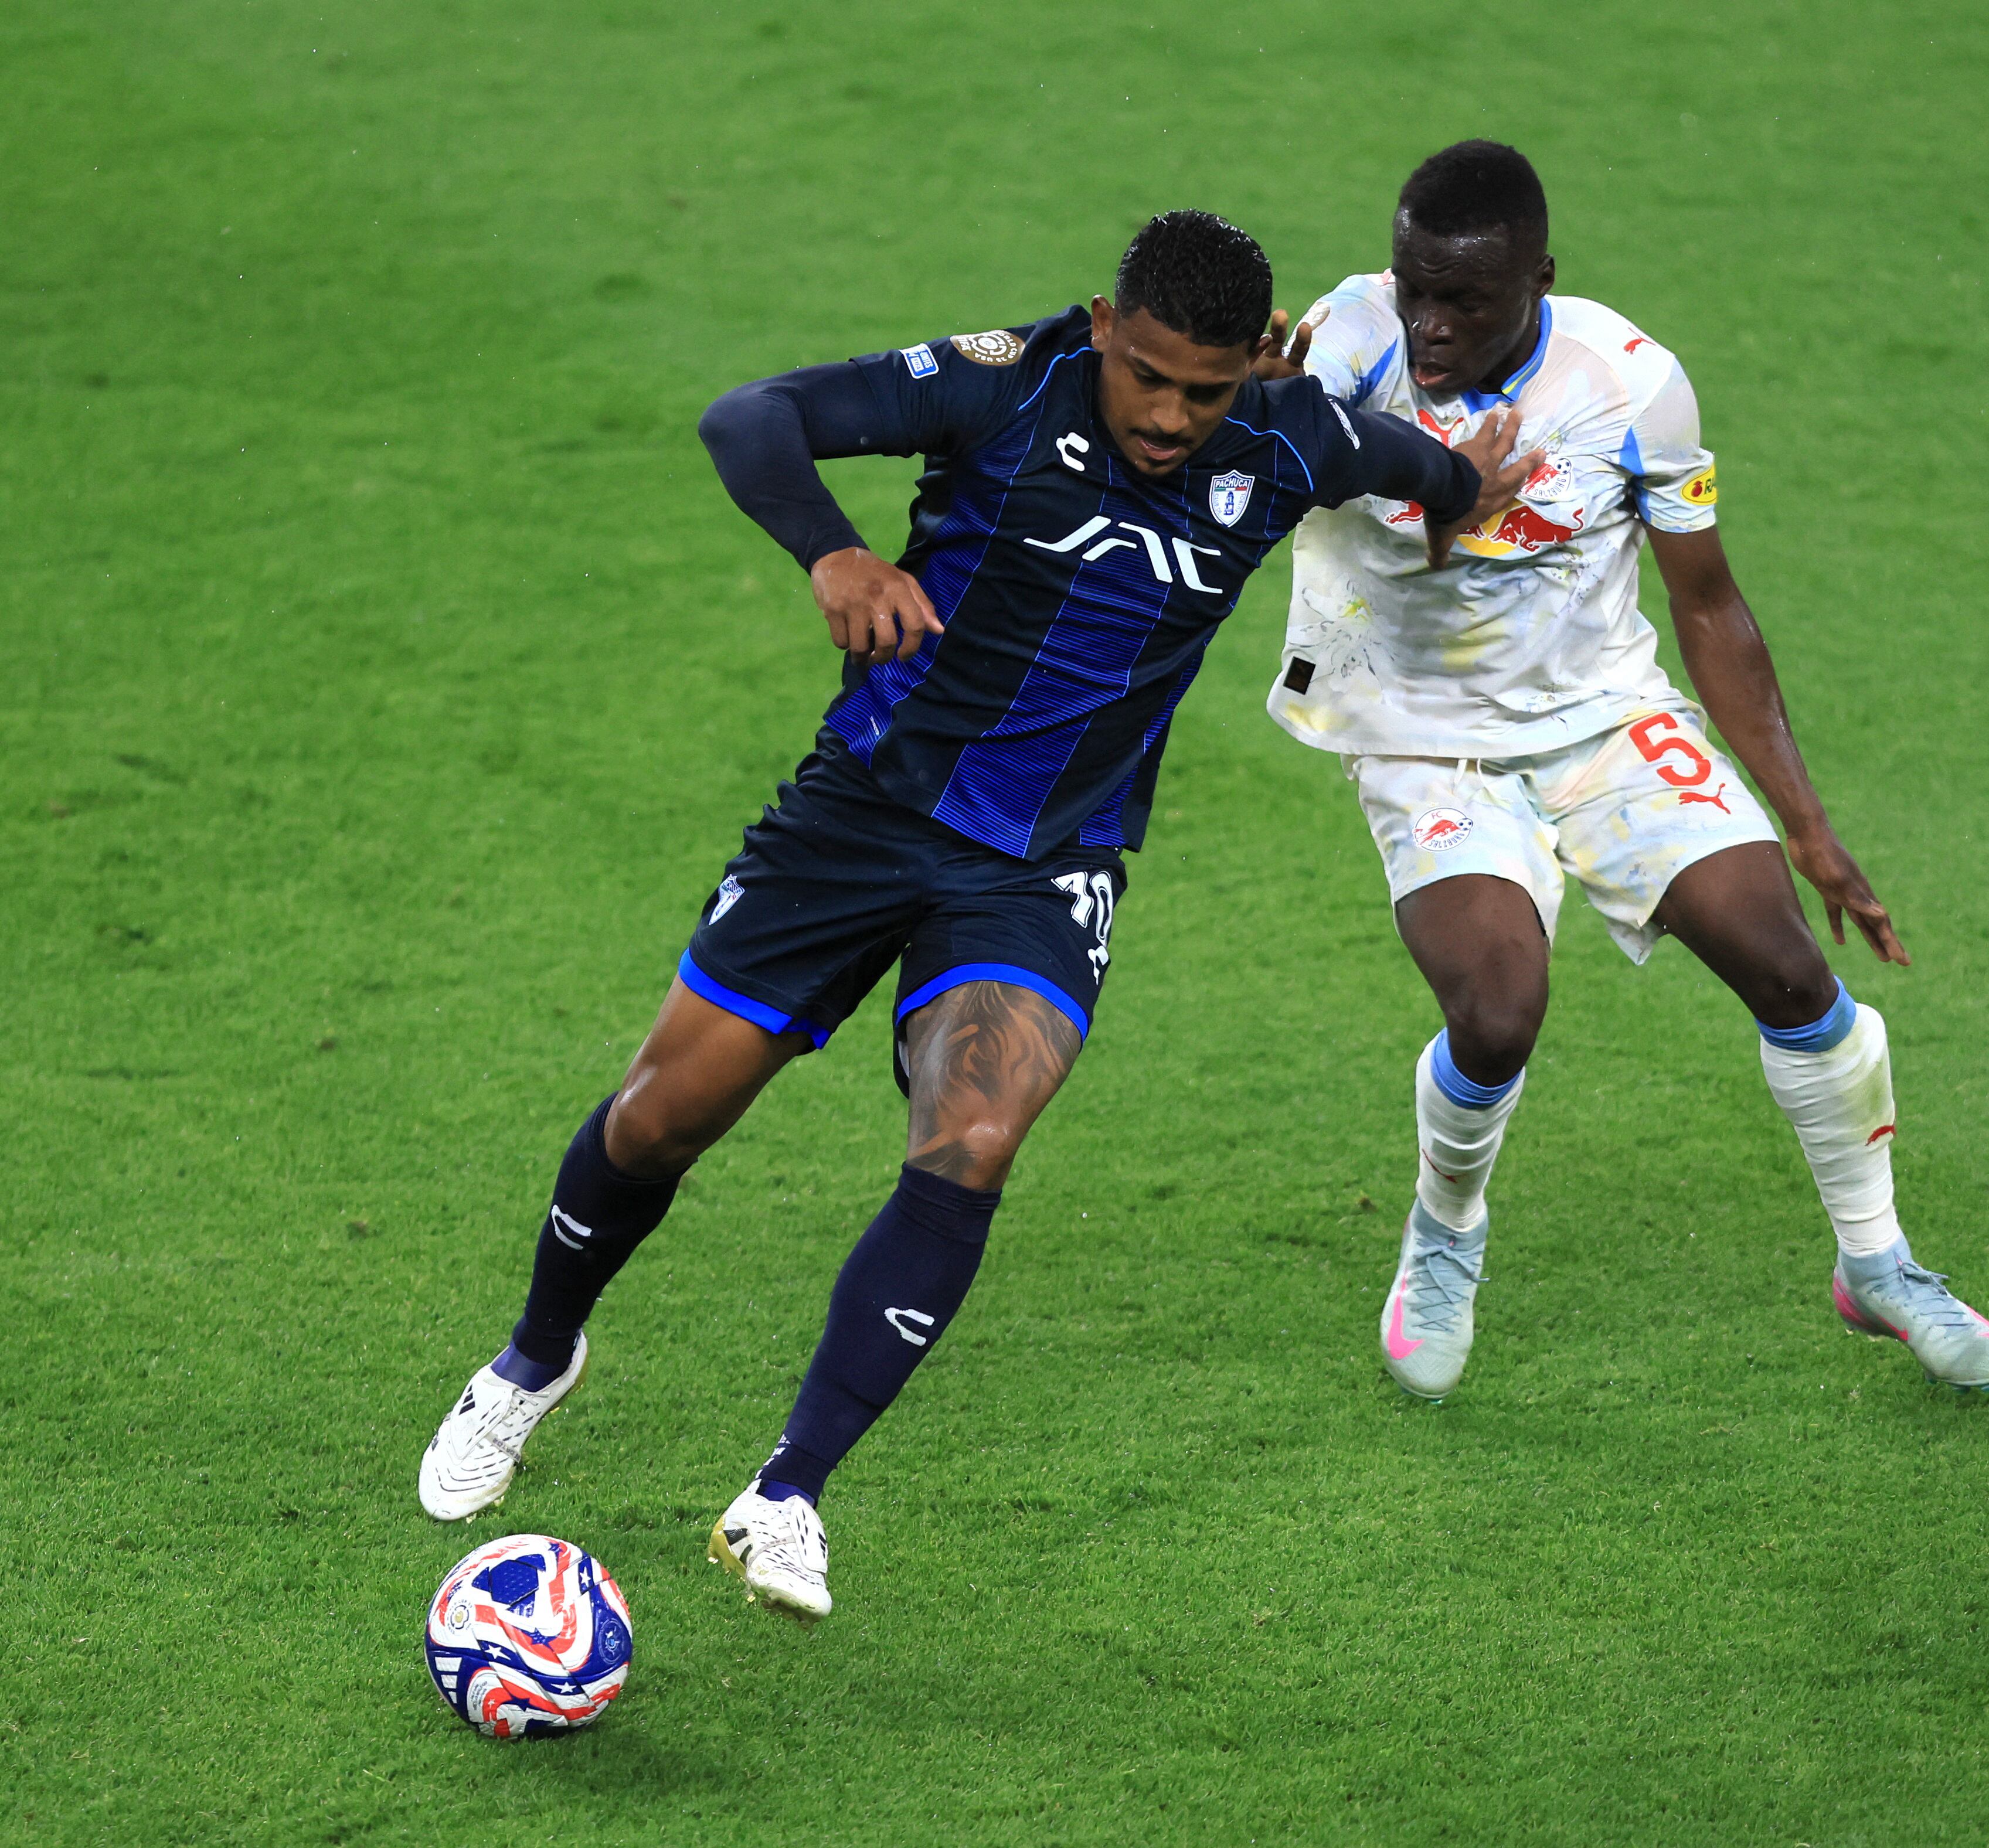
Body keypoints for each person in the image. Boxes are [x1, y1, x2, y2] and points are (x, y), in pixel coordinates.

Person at [416, 210, 1533, 1620]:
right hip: (863, 815)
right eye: (1147, 376)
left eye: (1205, 391)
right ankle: (533, 1360)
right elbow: (751, 417)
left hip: (1043, 866)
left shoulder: (1289, 439)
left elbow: (1421, 469)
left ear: (1253, 362)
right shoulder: (1005, 383)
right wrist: (834, 554)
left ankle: (787, 1494)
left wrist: (1464, 484)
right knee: (658, 1119)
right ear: (1104, 326)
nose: (1170, 417)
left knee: (976, 1136)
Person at [1256, 143, 1989, 1400]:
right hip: (1417, 730)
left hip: (1604, 717)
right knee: (1497, 1009)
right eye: (1414, 288)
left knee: (1789, 965)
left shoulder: (1631, 383)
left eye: (1465, 301)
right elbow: (1274, 464)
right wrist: (1274, 423)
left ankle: (1877, 1262)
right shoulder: (1344, 341)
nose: (1430, 325)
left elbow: (1707, 603)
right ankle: (1444, 1236)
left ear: (1539, 281)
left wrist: (1807, 825)